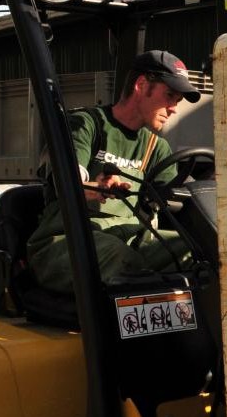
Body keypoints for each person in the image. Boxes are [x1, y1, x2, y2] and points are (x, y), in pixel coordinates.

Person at [27, 50, 201, 293]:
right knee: (119, 258)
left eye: (178, 100)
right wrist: (94, 189)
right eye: (169, 95)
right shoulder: (87, 124)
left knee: (201, 250)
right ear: (141, 85)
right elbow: (68, 181)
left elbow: (176, 196)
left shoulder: (156, 146)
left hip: (131, 238)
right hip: (70, 240)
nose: (173, 108)